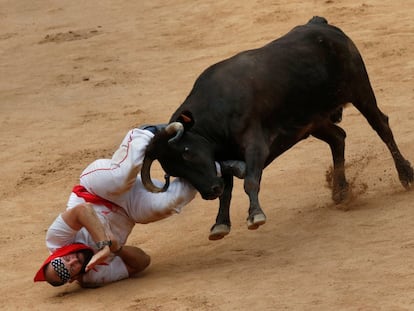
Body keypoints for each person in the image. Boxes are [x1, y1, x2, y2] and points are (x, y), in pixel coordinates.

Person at [34, 124, 246, 288]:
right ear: (73, 279)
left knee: (121, 177)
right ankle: (217, 166)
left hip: (97, 188)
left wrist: (104, 244)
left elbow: (83, 211)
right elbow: (142, 263)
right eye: (68, 270)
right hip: (128, 210)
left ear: (56, 256)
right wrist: (117, 249)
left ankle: (145, 133)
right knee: (168, 205)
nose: (71, 262)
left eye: (63, 261)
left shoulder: (56, 240)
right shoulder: (94, 276)